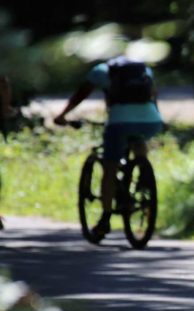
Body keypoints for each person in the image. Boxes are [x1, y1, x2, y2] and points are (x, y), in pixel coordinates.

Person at [54, 56, 163, 241]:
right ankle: (144, 176)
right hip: (151, 121)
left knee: (110, 167)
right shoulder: (144, 69)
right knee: (138, 141)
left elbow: (81, 94)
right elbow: (153, 94)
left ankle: (105, 219)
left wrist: (63, 115)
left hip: (119, 122)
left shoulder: (101, 71)